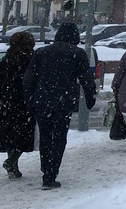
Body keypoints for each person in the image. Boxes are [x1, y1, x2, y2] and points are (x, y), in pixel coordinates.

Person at [22, 22, 96, 190]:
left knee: (46, 137)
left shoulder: (42, 52)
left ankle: (46, 168)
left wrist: (30, 98)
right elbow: (86, 79)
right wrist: (90, 98)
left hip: (43, 101)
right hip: (64, 102)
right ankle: (52, 172)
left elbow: (28, 79)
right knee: (59, 137)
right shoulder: (77, 54)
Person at [0, 30, 37, 179]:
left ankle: (12, 166)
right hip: (25, 102)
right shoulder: (32, 58)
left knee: (10, 135)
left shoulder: (8, 58)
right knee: (24, 135)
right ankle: (12, 160)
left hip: (9, 102)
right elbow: (35, 80)